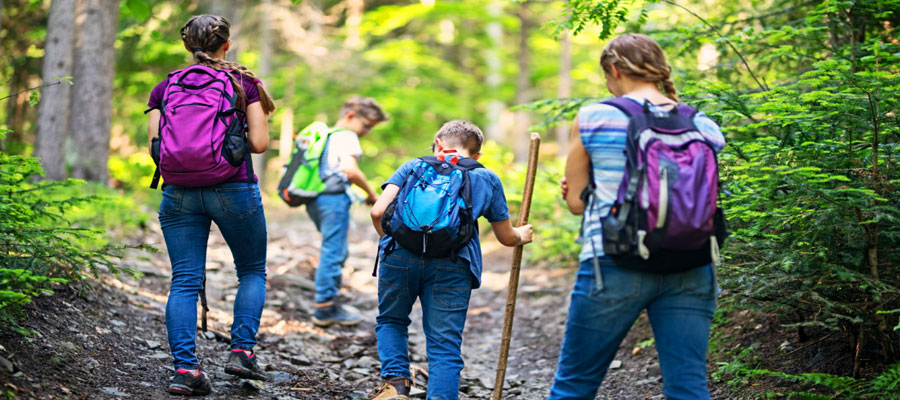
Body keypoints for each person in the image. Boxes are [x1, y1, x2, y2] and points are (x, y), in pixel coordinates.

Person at [548, 33, 726, 400]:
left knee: (574, 386)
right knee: (689, 386)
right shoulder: (702, 124)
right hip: (692, 263)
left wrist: (580, 189)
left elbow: (578, 205)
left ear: (614, 69)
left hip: (614, 261)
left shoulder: (594, 117)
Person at [146, 15, 276, 396]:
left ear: (188, 46)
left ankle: (185, 370)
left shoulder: (165, 86)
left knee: (184, 280)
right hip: (233, 188)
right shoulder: (244, 83)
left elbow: (157, 147)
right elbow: (260, 144)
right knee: (251, 271)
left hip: (179, 192)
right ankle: (241, 352)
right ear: (227, 43)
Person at [368, 120, 534, 400]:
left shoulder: (413, 166)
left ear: (437, 142)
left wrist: (395, 241)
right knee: (444, 344)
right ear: (477, 154)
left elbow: (377, 211)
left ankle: (396, 386)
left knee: (392, 320)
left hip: (399, 258)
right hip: (453, 264)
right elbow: (506, 237)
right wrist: (522, 235)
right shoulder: (486, 177)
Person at [307, 97, 387, 327]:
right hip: (332, 201)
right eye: (367, 125)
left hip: (317, 199)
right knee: (334, 251)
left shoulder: (330, 135)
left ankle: (327, 301)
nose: (368, 131)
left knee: (333, 249)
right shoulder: (346, 135)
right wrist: (373, 195)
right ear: (351, 116)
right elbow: (349, 170)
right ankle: (325, 308)